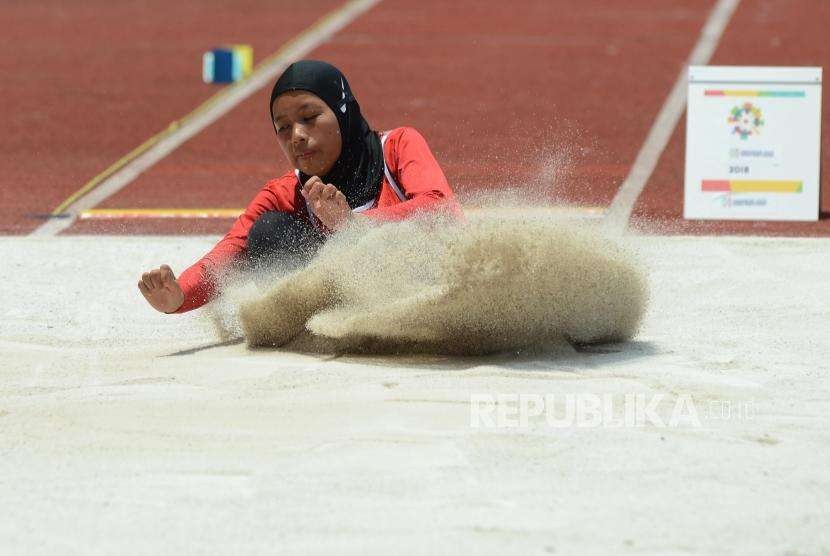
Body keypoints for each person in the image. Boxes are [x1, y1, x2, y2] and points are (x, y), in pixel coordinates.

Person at [138, 59, 461, 314]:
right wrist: (180, 297)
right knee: (269, 232)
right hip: (354, 302)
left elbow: (438, 208)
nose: (297, 136)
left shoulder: (398, 146)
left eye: (310, 117)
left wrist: (354, 226)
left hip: (429, 283)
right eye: (283, 127)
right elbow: (228, 255)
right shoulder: (285, 193)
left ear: (343, 113)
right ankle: (332, 325)